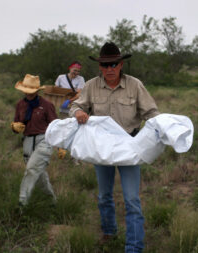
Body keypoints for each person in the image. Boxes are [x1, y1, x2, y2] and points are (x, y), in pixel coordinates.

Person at [69, 42, 160, 253]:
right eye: (105, 65)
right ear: (100, 67)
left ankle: (134, 247)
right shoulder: (91, 85)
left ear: (121, 65)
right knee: (104, 196)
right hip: (101, 148)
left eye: (114, 64)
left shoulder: (135, 85)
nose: (110, 69)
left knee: (132, 199)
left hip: (130, 146)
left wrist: (160, 130)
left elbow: (152, 113)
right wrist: (79, 113)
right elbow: (76, 105)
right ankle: (109, 232)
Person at [11, 74, 57, 206]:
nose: (28, 94)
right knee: (39, 175)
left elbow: (56, 127)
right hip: (27, 141)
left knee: (31, 169)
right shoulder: (20, 105)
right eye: (26, 91)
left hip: (44, 141)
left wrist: (61, 146)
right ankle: (51, 202)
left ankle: (22, 202)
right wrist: (15, 127)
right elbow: (16, 124)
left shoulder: (47, 105)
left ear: (37, 90)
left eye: (31, 91)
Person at [54, 61, 86, 162]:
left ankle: (75, 157)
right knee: (63, 128)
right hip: (63, 108)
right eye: (74, 70)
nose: (76, 73)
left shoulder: (81, 79)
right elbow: (56, 90)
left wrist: (69, 100)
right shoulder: (61, 77)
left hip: (74, 108)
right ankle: (61, 151)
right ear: (70, 68)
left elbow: (80, 93)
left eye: (78, 71)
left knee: (74, 130)